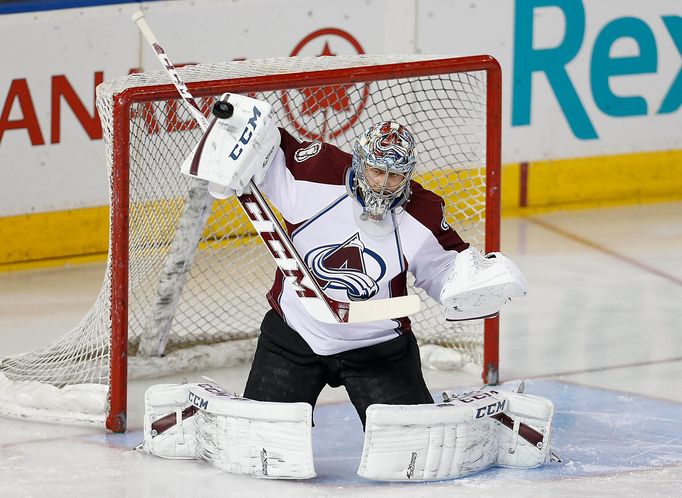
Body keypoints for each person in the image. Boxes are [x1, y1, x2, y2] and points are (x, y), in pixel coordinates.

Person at [236, 120, 477, 428]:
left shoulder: (421, 212)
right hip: (295, 334)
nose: (384, 184)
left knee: (409, 445)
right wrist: (241, 142)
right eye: (377, 171)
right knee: (261, 438)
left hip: (378, 346)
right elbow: (269, 151)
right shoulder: (315, 173)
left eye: (396, 176)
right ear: (360, 163)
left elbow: (444, 267)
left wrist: (471, 287)